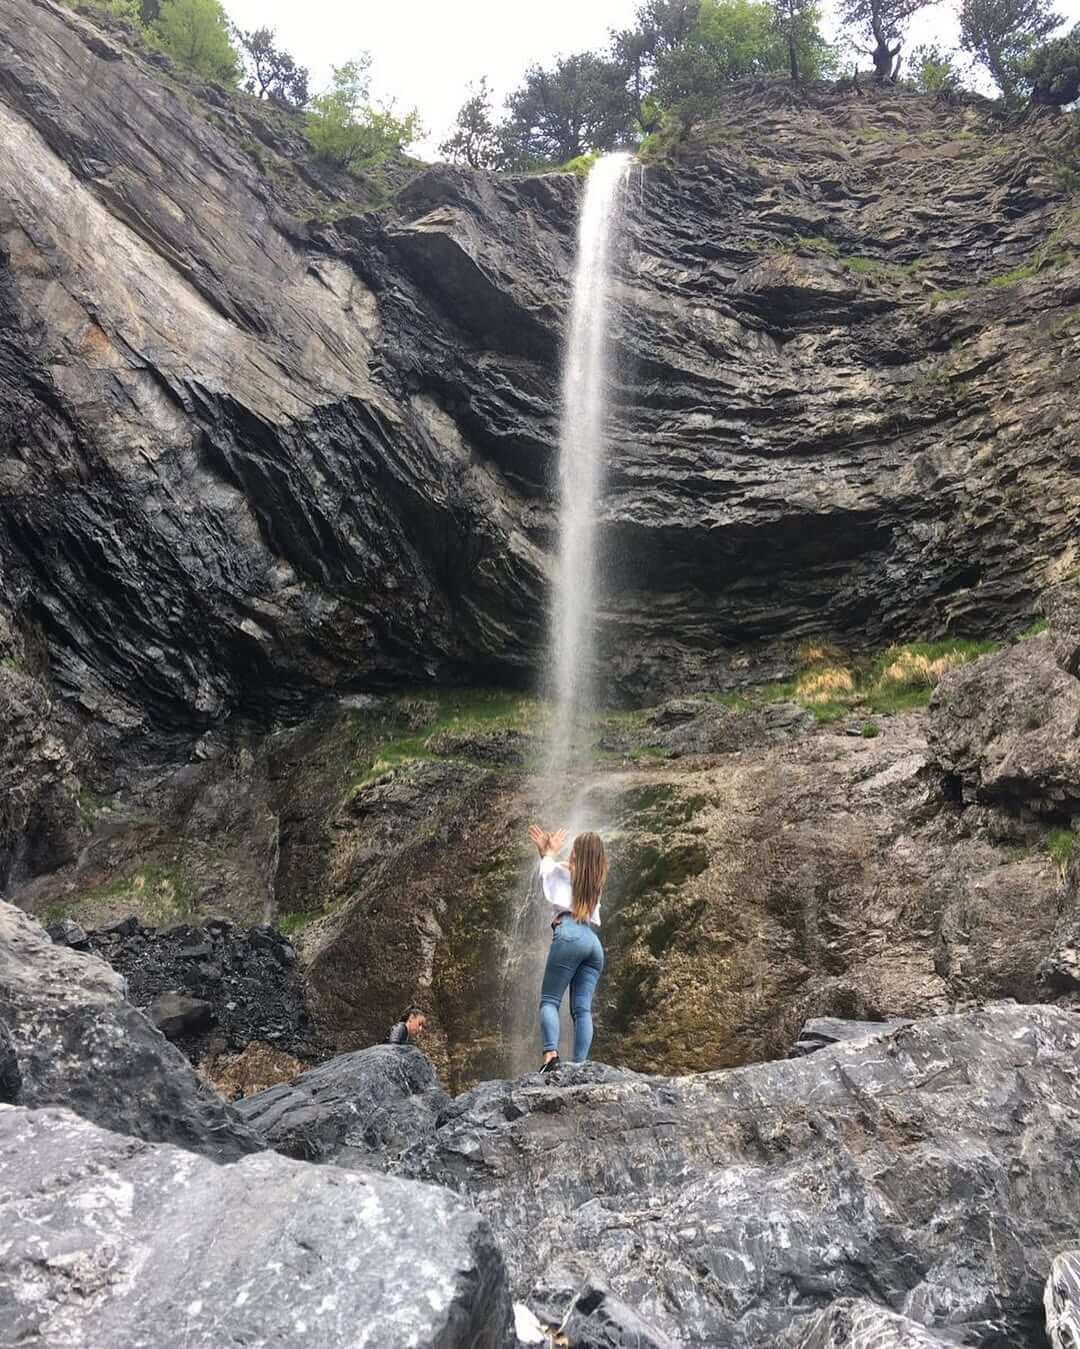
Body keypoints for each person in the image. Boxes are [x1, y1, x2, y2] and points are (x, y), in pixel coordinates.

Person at [528, 824, 607, 1074]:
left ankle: (551, 1056)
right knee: (582, 1009)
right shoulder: (596, 880)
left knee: (549, 1001)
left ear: (575, 854)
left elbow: (547, 875)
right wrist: (548, 855)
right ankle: (581, 1066)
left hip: (570, 934)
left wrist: (548, 851)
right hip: (593, 944)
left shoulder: (564, 871)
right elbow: (554, 873)